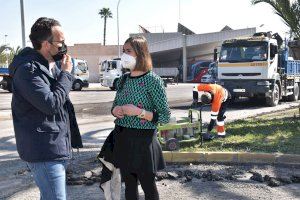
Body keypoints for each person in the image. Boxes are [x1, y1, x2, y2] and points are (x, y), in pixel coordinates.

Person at [9, 17, 82, 200]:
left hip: (55, 146)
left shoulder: (50, 66)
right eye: (60, 42)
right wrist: (66, 74)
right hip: (43, 150)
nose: (64, 46)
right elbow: (50, 104)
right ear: (45, 44)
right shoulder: (28, 70)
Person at [111, 35, 170, 200]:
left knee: (148, 185)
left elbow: (165, 116)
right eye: (123, 51)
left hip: (143, 140)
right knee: (129, 185)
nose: (124, 55)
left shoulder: (153, 80)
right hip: (122, 136)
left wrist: (139, 112)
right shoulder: (122, 80)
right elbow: (114, 105)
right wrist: (115, 110)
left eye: (128, 51)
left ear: (140, 53)